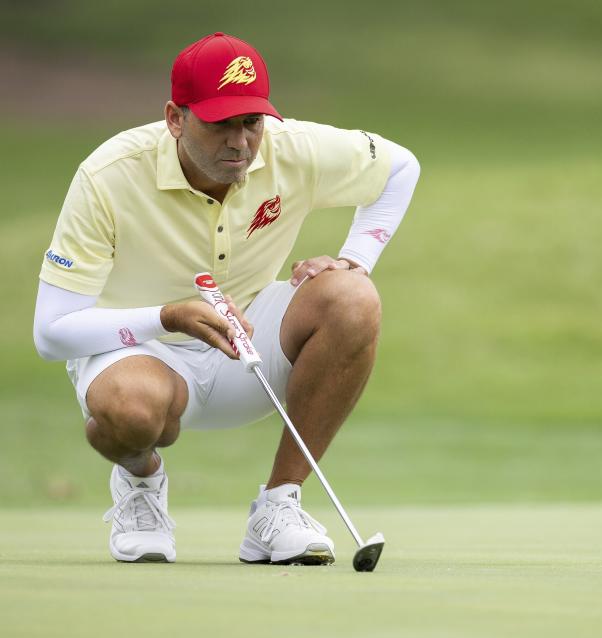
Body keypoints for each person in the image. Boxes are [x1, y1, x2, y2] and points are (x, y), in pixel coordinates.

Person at [32, 32, 420, 565]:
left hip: (250, 348)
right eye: (219, 123)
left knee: (354, 297)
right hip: (139, 352)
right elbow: (51, 334)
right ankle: (141, 484)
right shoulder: (108, 175)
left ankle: (279, 506)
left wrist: (356, 259)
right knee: (129, 412)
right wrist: (167, 316)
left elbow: (400, 167)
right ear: (175, 118)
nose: (239, 142)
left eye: (251, 122)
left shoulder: (291, 146)